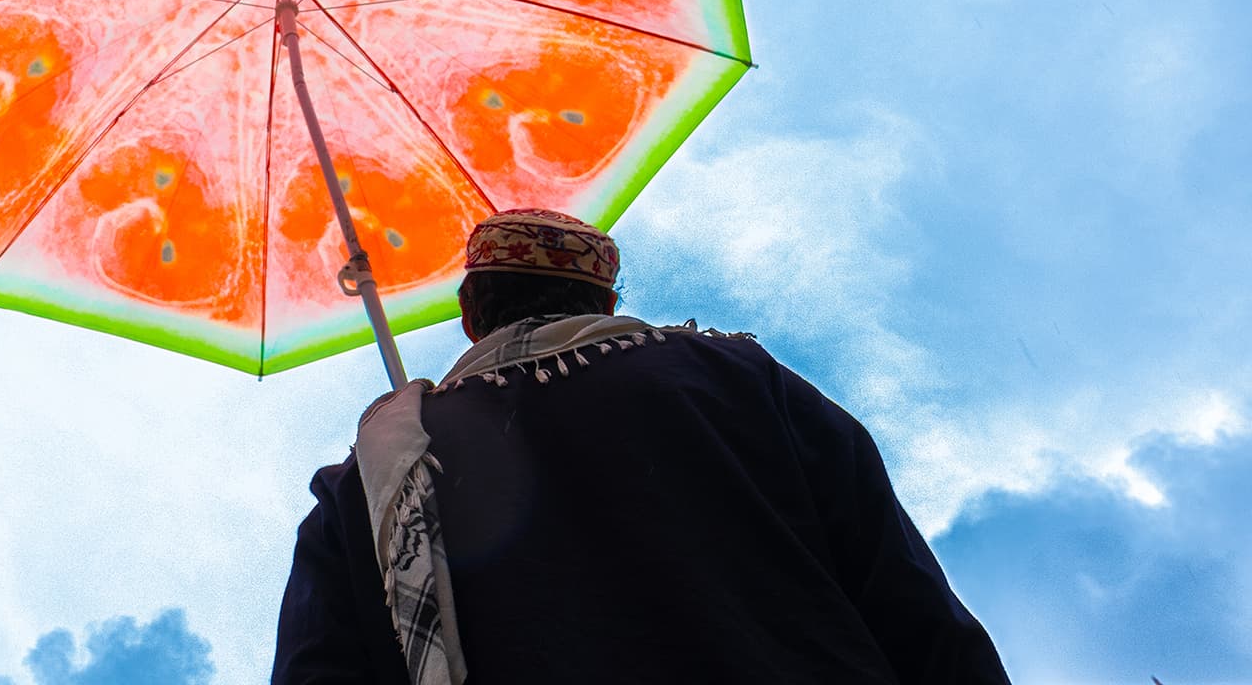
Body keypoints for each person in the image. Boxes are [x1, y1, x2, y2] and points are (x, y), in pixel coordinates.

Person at [270, 208, 1010, 684]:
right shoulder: (737, 379)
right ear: (607, 303)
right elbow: (907, 598)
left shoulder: (367, 478)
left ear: (470, 312)